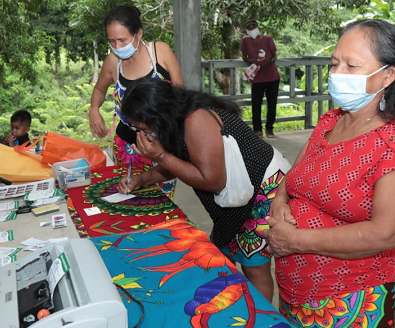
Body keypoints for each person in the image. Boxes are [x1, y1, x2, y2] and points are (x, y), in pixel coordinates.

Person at [263, 19, 395, 328]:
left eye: (352, 66)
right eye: (334, 64)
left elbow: (383, 234)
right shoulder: (331, 121)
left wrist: (293, 239)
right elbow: (292, 179)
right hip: (295, 294)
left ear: (388, 75)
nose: (338, 73)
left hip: (350, 305)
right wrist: (279, 203)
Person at [116, 77, 291, 302]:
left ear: (157, 116)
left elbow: (211, 180)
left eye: (142, 128)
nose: (142, 135)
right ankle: (239, 308)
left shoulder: (196, 119)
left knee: (254, 266)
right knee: (223, 254)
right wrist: (142, 179)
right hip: (238, 193)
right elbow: (182, 162)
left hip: (262, 190)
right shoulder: (176, 119)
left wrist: (160, 155)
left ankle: (262, 322)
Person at [89, 5, 183, 197]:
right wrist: (94, 109)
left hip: (163, 143)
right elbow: (100, 88)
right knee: (129, 195)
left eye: (122, 40)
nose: (117, 47)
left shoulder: (160, 52)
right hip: (128, 145)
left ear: (138, 34)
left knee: (161, 201)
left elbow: (180, 95)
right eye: (112, 41)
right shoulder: (113, 62)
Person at [241, 18, 279, 138]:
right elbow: (244, 56)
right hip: (257, 78)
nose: (252, 30)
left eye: (253, 27)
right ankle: (257, 129)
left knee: (272, 103)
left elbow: (274, 55)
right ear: (247, 30)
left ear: (258, 28)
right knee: (256, 104)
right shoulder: (245, 40)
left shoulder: (268, 39)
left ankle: (269, 128)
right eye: (249, 29)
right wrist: (252, 60)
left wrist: (268, 62)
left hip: (272, 76)